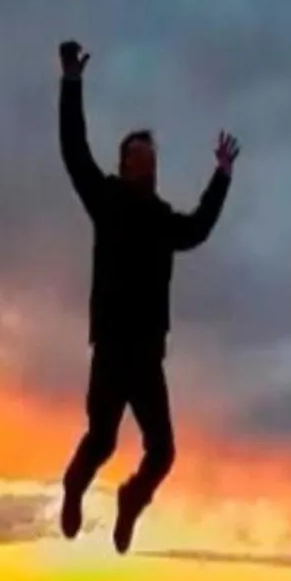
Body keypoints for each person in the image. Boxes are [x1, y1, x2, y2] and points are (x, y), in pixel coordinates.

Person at [56, 39, 238, 553]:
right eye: (141, 158)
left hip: (147, 354)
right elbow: (74, 152)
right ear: (126, 163)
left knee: (162, 452)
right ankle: (73, 486)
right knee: (103, 440)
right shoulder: (107, 199)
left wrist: (221, 177)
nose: (149, 165)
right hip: (111, 349)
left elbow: (199, 227)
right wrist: (72, 83)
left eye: (153, 159)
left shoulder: (162, 220)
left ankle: (132, 499)